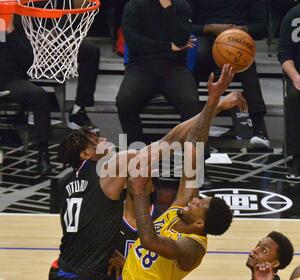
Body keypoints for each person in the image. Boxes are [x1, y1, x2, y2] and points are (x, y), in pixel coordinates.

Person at [49, 65, 246, 280]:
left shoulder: (67, 182)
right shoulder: (112, 168)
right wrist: (215, 105)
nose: (104, 137)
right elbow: (173, 139)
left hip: (64, 273)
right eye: (96, 139)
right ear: (86, 154)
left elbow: (193, 148)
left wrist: (212, 104)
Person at [116, 0, 202, 145]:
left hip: (174, 67)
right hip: (141, 66)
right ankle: (136, 149)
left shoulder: (182, 5)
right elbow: (133, 41)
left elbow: (181, 39)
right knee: (124, 101)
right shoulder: (134, 5)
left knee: (191, 103)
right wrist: (167, 47)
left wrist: (168, 8)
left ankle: (194, 151)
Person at [187, 0, 270, 149]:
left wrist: (241, 29)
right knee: (196, 56)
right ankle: (191, 124)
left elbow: (262, 28)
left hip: (237, 39)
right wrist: (209, 28)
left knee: (247, 64)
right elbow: (186, 26)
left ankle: (259, 128)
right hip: (207, 37)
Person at [0, 15, 51, 175]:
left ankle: (43, 155)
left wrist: (11, 33)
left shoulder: (17, 22)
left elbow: (28, 60)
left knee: (39, 95)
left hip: (12, 80)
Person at [278, 3, 300, 179]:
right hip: (299, 75)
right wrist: (295, 77)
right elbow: (285, 55)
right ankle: (297, 158)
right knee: (294, 96)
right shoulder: (294, 15)